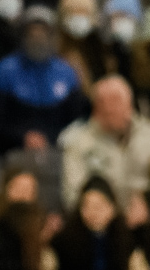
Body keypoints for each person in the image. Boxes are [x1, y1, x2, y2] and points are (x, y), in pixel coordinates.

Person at [0, 5, 86, 154]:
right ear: (22, 35)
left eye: (44, 32)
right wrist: (22, 137)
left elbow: (76, 123)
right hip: (12, 152)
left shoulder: (67, 74)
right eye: (32, 33)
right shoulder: (3, 72)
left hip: (58, 151)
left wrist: (51, 138)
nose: (38, 38)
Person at [51, 176, 150, 270]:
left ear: (112, 208)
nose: (92, 212)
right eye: (86, 206)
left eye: (98, 206)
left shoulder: (127, 238)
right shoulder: (65, 240)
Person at [58, 75, 150, 212]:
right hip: (100, 220)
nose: (110, 108)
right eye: (103, 103)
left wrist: (145, 201)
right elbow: (72, 196)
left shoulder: (147, 136)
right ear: (95, 109)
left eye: (117, 102)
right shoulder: (77, 142)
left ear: (130, 105)